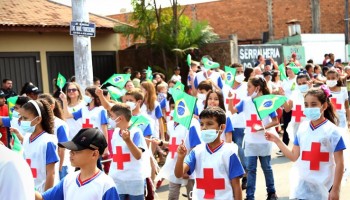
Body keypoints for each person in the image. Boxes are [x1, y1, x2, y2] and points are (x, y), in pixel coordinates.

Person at [265, 86, 346, 199]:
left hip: (325, 188)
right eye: (306, 104)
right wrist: (277, 140)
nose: (309, 108)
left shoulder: (333, 132)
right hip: (303, 188)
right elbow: (294, 156)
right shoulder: (302, 128)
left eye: (313, 104)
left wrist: (336, 189)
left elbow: (340, 163)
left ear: (324, 106)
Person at [174, 106, 244, 200]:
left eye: (209, 124)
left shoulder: (229, 152)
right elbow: (179, 174)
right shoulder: (196, 151)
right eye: (202, 124)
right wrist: (180, 158)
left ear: (222, 127)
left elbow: (236, 186)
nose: (204, 128)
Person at [228, 76, 279, 200]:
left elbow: (276, 121)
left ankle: (271, 193)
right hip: (250, 141)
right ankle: (250, 196)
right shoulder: (245, 101)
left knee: (266, 168)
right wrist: (230, 99)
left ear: (257, 88)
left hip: (264, 141)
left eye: (249, 87)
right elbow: (232, 110)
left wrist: (262, 128)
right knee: (251, 169)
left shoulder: (267, 101)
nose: (247, 90)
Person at [35, 128, 119, 200]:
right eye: (71, 150)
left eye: (77, 150)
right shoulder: (68, 179)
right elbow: (43, 198)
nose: (71, 153)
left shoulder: (106, 185)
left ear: (94, 154)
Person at [154, 97, 201, 200]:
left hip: (187, 167)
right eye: (173, 107)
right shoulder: (171, 125)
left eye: (179, 107)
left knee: (192, 196)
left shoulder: (191, 124)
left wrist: (188, 169)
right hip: (173, 165)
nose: (175, 110)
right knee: (172, 196)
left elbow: (195, 147)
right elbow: (173, 144)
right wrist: (162, 143)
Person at [108, 103, 147, 200]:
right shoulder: (116, 132)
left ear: (120, 118)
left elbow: (138, 155)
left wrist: (128, 140)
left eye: (112, 116)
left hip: (133, 178)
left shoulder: (136, 132)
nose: (110, 119)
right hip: (116, 177)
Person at [20, 99, 59, 192]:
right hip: (30, 192)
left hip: (43, 193)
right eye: (21, 117)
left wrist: (45, 197)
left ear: (38, 119)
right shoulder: (27, 137)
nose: (22, 121)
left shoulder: (48, 141)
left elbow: (51, 173)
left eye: (25, 118)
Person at [60, 86, 109, 156]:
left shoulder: (101, 110)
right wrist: (64, 101)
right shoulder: (83, 109)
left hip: (96, 142)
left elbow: (104, 130)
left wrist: (106, 147)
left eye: (87, 94)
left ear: (93, 97)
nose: (85, 96)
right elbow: (67, 115)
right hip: (85, 141)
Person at [222, 63, 248, 189]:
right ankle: (231, 178)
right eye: (237, 72)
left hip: (240, 124)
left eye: (241, 71)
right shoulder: (225, 87)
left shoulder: (246, 87)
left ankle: (245, 176)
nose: (240, 74)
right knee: (228, 151)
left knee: (241, 151)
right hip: (226, 123)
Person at [38, 94, 70, 180]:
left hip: (60, 165)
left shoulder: (60, 124)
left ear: (52, 106)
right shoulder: (40, 123)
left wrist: (59, 168)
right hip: (47, 165)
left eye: (43, 105)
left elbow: (62, 148)